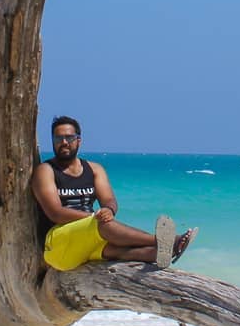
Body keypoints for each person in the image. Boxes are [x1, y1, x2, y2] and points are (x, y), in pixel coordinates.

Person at [32, 115, 196, 272]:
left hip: (89, 242)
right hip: (59, 246)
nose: (64, 142)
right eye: (58, 138)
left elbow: (109, 200)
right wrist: (95, 217)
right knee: (102, 224)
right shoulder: (46, 171)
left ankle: (164, 252)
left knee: (123, 251)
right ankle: (168, 241)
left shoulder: (95, 169)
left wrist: (109, 210)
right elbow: (55, 213)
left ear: (79, 140)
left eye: (69, 137)